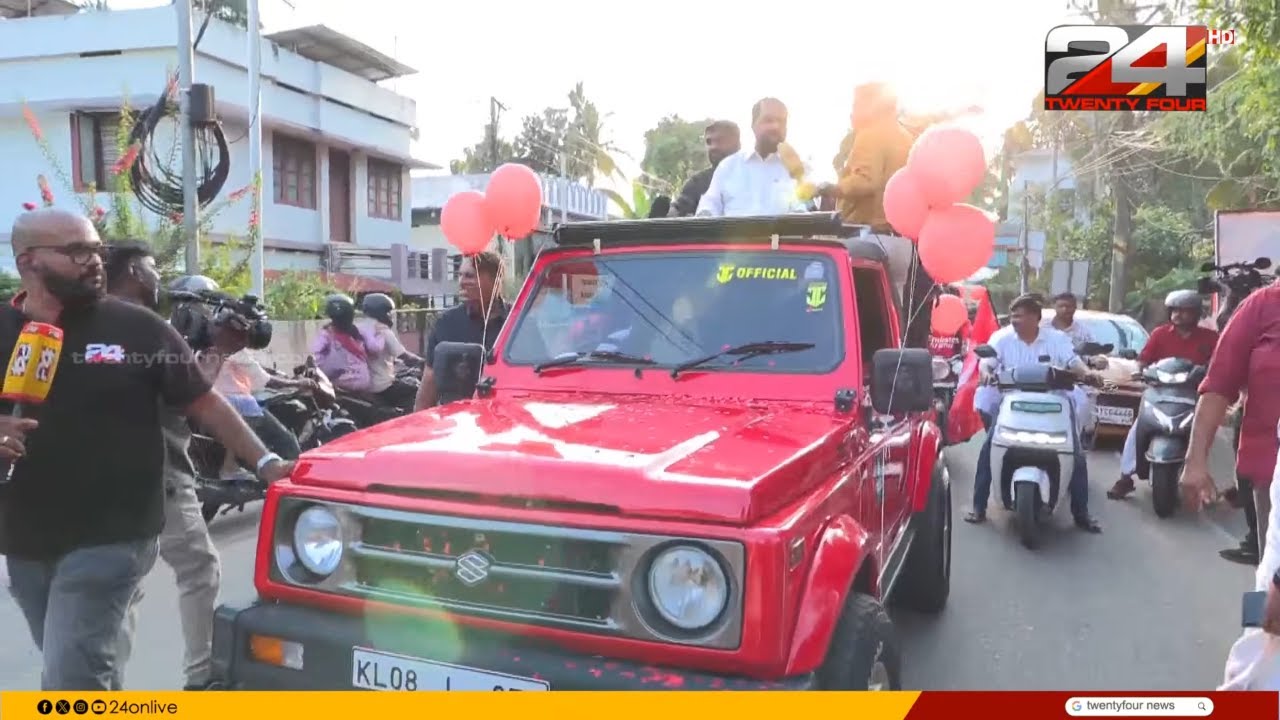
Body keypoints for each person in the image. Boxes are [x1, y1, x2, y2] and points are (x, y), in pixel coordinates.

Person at [0, 209, 291, 691]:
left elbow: (206, 401)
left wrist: (266, 462)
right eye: (77, 252)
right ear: (29, 261)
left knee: (71, 679)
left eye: (96, 249)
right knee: (82, 662)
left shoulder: (136, 328)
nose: (93, 261)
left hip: (114, 534)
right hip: (25, 538)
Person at [103, 243, 222, 690]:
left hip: (109, 478)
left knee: (124, 584)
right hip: (160, 475)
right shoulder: (145, 327)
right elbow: (195, 400)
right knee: (199, 567)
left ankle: (105, 688)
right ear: (135, 271)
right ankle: (202, 676)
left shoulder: (89, 323)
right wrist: (221, 353)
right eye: (154, 269)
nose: (159, 279)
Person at [964, 294, 1104, 532]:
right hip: (1012, 402)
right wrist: (986, 372)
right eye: (1012, 316)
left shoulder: (1057, 339)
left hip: (1055, 402)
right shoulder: (1002, 338)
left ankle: (1081, 514)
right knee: (989, 449)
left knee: (1077, 455)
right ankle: (978, 507)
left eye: (1019, 316)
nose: (1014, 320)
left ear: (1035, 318)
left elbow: (1073, 363)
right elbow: (988, 362)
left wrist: (1087, 373)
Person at [1181, 279, 1280, 565]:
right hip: (1271, 479)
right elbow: (1219, 385)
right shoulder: (1263, 304)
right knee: (1272, 594)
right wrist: (1195, 461)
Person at [828, 82, 932, 349]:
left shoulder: (870, 134)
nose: (852, 111)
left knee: (851, 322)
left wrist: (831, 187)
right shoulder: (906, 137)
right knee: (891, 322)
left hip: (867, 238)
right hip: (901, 242)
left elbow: (866, 182)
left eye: (855, 103)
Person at [1108, 290, 1219, 501]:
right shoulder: (1160, 334)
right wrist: (1140, 370)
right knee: (1138, 428)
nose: (1179, 315)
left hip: (1194, 394)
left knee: (1204, 434)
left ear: (1196, 314)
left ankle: (1203, 481)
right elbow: (1144, 360)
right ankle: (1125, 477)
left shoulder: (1211, 338)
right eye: (1175, 310)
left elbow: (1219, 364)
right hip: (1160, 392)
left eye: (1185, 311)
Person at [207, 307, 309, 475]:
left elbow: (256, 367)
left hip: (216, 399)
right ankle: (231, 467)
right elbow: (264, 379)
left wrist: (279, 374)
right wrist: (298, 383)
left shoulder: (214, 338)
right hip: (233, 401)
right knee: (285, 440)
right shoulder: (234, 347)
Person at [414, 251, 508, 410]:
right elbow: (429, 382)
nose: (462, 282)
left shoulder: (517, 322)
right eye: (460, 275)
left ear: (495, 281)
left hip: (506, 419)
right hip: (459, 422)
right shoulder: (446, 323)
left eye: (470, 276)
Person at [696, 98, 804, 217]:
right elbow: (709, 207)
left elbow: (802, 212)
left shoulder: (796, 171)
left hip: (781, 235)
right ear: (753, 125)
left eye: (782, 121)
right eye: (768, 120)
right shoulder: (728, 166)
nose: (776, 127)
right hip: (733, 235)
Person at [1042, 292, 1105, 440]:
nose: (1064, 309)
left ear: (1075, 308)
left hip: (1074, 380)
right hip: (1045, 379)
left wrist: (1098, 360)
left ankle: (1077, 438)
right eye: (1061, 306)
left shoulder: (1083, 332)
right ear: (1054, 307)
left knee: (1084, 403)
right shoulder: (1043, 329)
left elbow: (1093, 352)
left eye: (1068, 306)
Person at [355, 293, 423, 412]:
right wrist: (424, 362)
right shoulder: (383, 331)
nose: (390, 316)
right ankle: (408, 421)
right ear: (381, 312)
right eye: (389, 312)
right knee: (416, 389)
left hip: (362, 385)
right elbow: (405, 356)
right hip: (381, 386)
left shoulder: (357, 327)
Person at [669, 121, 741, 217]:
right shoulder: (698, 182)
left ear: (737, 143)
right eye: (709, 142)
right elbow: (679, 210)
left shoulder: (757, 174)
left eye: (720, 140)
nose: (713, 147)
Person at [311, 293, 379, 394]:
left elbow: (315, 356)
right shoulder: (359, 332)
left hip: (341, 387)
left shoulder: (326, 334)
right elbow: (374, 348)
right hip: (358, 385)